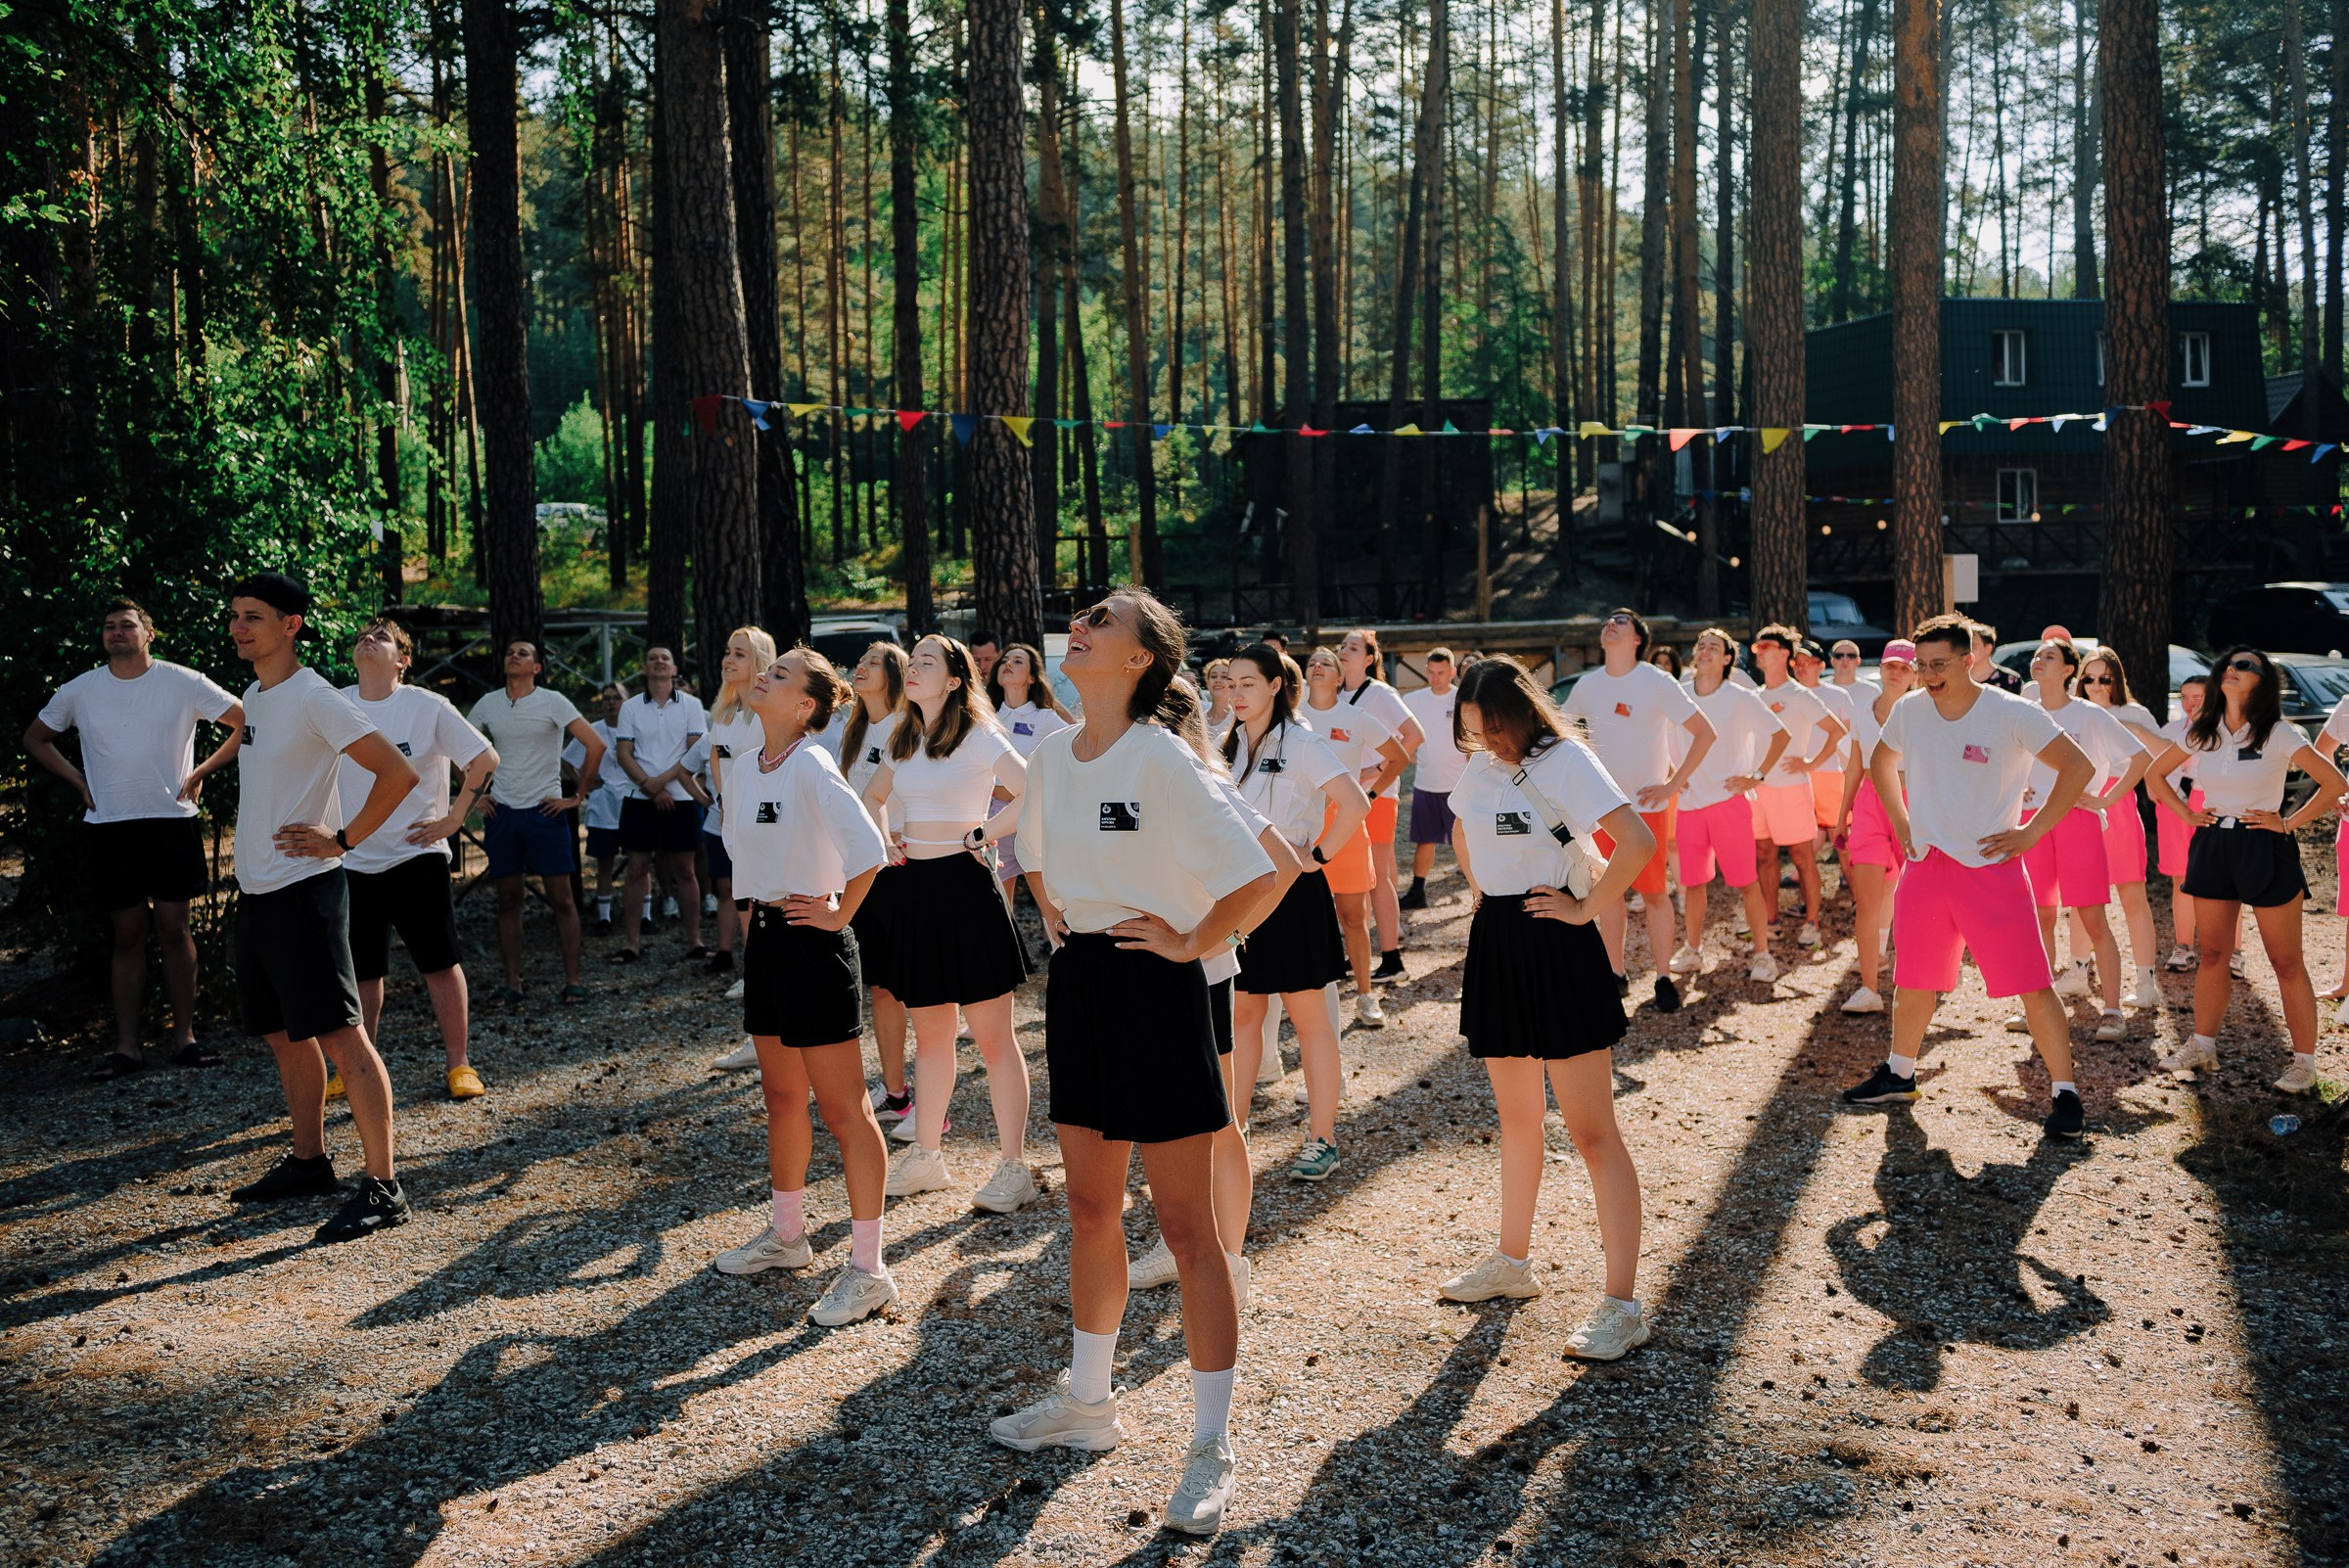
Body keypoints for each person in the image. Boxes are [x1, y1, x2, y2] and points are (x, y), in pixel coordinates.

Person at [997, 588, 1278, 1537]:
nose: (1079, 628)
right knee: (1086, 1207)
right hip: (1081, 985)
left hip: (1157, 989)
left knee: (1190, 1230)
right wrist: (1062, 914)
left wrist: (1191, 938)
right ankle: (1089, 1404)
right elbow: (1033, 857)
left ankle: (1211, 1447)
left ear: (1143, 659)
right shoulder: (1046, 754)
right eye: (1081, 619)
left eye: (1102, 622)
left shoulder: (1160, 756)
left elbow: (1260, 872)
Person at [1439, 655, 1657, 1361]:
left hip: (1557, 940)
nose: (1487, 743)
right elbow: (1460, 829)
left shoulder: (1565, 758)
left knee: (1593, 1134)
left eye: (1494, 729)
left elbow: (1638, 843)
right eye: (1472, 731)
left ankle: (1622, 1304)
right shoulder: (1479, 763)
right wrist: (1482, 889)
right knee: (1518, 1120)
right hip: (1499, 937)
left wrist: (1587, 907)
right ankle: (1512, 1263)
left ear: (1523, 712)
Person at [219, 573, 423, 1240]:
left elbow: (399, 773)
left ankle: (385, 1186)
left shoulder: (314, 697)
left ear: (292, 626)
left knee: (343, 1035)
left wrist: (342, 839)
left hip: (305, 893)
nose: (240, 627)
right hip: (259, 895)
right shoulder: (254, 694)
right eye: (235, 617)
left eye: (254, 616)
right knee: (284, 1035)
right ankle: (309, 1161)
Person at [1840, 614, 2096, 1138]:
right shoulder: (1911, 710)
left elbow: (2079, 767)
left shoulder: (2010, 711)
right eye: (1922, 666)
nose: (1930, 675)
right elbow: (1880, 762)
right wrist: (1901, 820)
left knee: (2034, 983)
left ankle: (2066, 1094)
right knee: (1913, 980)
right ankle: (1900, 1073)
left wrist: (2030, 832)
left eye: (1939, 665)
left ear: (1968, 659)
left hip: (1992, 868)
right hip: (1929, 865)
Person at [709, 646, 901, 1324]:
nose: (766, 674)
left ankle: (869, 1268)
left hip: (814, 944)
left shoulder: (814, 762)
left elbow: (869, 851)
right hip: (767, 941)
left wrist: (836, 913)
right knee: (782, 1097)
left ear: (806, 707)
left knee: (846, 1111)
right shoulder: (745, 764)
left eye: (783, 673)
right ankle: (788, 1237)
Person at [1128, 685, 1306, 1300]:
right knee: (1167, 1120)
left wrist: (1217, 935)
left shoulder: (1203, 779)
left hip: (1200, 977)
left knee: (1220, 1122)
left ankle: (1229, 1259)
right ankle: (1178, 1243)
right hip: (1150, 975)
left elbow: (1281, 864)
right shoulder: (1142, 778)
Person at [26, 599, 242, 1081]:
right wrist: (79, 782)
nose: (116, 632)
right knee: (127, 935)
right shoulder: (81, 690)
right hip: (111, 826)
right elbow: (35, 738)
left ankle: (184, 1038)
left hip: (170, 820)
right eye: (109, 627)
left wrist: (204, 768)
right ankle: (127, 1048)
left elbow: (243, 721)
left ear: (148, 634)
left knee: (173, 929)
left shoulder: (182, 681)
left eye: (127, 625)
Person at [860, 634, 1039, 1212]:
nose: (912, 670)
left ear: (956, 680)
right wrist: (886, 840)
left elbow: (1035, 789)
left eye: (927, 663)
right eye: (911, 663)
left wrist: (985, 833)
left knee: (993, 1039)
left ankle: (1014, 1166)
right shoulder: (901, 735)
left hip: (966, 888)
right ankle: (929, 1157)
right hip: (915, 889)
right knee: (932, 1037)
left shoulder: (982, 735)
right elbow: (872, 797)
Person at [2143, 645, 2347, 1093]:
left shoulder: (2279, 732)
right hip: (2214, 842)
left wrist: (2287, 822)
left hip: (2265, 844)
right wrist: (2185, 814)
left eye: (2244, 666)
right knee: (2213, 953)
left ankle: (2305, 1064)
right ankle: (2202, 1044)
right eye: (2227, 665)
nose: (2231, 670)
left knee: (2285, 961)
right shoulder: (2203, 730)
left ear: (2263, 681)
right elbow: (2154, 776)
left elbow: (2335, 781)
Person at [1219, 644, 1367, 1181]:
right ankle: (1232, 1131)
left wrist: (1319, 856)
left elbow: (1355, 803)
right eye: (1230, 683)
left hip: (1294, 893)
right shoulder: (1222, 746)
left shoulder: (1304, 742)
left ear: (1276, 686)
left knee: (1311, 1024)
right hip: (1240, 892)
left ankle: (1322, 1137)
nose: (1236, 693)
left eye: (1247, 683)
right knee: (1243, 1016)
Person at [336, 620, 498, 1100]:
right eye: (363, 635)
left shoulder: (427, 706)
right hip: (352, 859)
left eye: (382, 638)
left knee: (440, 962)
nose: (368, 639)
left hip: (416, 855)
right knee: (363, 970)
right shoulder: (334, 703)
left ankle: (459, 1065)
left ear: (403, 660)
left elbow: (485, 759)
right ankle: (356, 1070)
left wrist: (453, 820)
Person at [1561, 609, 1718, 1011]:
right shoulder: (1587, 684)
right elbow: (1559, 733)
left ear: (1637, 640)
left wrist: (1672, 784)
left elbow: (1705, 733)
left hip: (1646, 807)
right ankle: (1615, 974)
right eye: (1607, 621)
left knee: (1654, 894)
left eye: (1621, 621)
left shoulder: (1655, 680)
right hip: (1600, 807)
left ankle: (1663, 977)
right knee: (1608, 895)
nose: (1610, 624)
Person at [2005, 638, 2146, 1044]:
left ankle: (2113, 1011)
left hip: (2077, 822)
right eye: (2036, 657)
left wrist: (2105, 799)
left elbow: (2139, 758)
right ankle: (2039, 1008)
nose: (2037, 662)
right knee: (2040, 918)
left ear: (2069, 670)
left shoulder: (2089, 714)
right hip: (2032, 824)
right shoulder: (2023, 714)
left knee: (2092, 919)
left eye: (2047, 657)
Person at [467, 641, 603, 1004]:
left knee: (562, 898)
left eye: (523, 653)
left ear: (537, 668)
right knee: (508, 899)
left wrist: (577, 797)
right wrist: (477, 794)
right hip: (503, 812)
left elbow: (596, 744)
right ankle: (513, 983)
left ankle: (573, 980)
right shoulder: (488, 703)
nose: (514, 655)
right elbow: (459, 747)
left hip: (545, 811)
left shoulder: (553, 701)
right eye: (510, 651)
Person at [1672, 629, 1791, 982]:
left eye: (1714, 647)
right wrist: (1673, 776)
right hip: (1689, 804)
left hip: (1729, 802)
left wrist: (1756, 775)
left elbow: (1780, 734)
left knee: (1746, 882)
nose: (1705, 650)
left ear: (1727, 659)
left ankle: (1763, 956)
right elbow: (1664, 740)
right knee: (1692, 884)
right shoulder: (1678, 697)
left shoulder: (1740, 697)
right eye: (1701, 645)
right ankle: (1693, 950)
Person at [1301, 647, 1406, 1026]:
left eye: (1326, 662)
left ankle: (1365, 996)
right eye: (1312, 662)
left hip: (1345, 827)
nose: (1317, 666)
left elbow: (1399, 756)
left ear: (1340, 677)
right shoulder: (1290, 714)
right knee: (1303, 918)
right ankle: (1302, 997)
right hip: (1299, 829)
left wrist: (1370, 794)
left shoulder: (1355, 717)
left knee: (1353, 916)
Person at [837, 641, 913, 1108]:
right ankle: (897, 1092)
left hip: (903, 868)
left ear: (894, 675)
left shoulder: (908, 729)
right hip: (861, 869)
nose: (859, 667)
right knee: (880, 988)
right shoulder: (851, 731)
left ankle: (919, 1103)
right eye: (858, 660)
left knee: (904, 989)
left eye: (871, 663)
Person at [2073, 648, 2167, 1008]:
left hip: (2120, 806)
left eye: (2104, 678)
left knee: (2132, 895)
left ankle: (2146, 982)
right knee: (2082, 898)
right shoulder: (2074, 710)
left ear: (2117, 679)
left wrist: (2129, 729)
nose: (2096, 686)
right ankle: (2077, 972)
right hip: (2080, 806)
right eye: (2089, 678)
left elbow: (2165, 752)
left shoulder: (2133, 712)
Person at [1748, 624, 1847, 950]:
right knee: (1763, 856)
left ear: (1784, 653)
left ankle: (1812, 924)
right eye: (1756, 647)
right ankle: (1771, 922)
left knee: (1803, 857)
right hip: (1758, 789)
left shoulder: (1799, 695)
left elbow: (1836, 731)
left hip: (1791, 787)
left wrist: (1810, 763)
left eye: (1766, 646)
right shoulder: (1755, 697)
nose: (1759, 652)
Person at [1830, 640, 1916, 1013]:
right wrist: (1841, 816)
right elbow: (1854, 767)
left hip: (1914, 804)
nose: (1895, 672)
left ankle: (1920, 980)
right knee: (1866, 901)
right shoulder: (1862, 710)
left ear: (1915, 675)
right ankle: (1869, 989)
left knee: (1913, 898)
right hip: (1868, 804)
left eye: (1903, 667)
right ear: (1880, 669)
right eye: (1889, 666)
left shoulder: (1925, 711)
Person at [1336, 629, 1425, 983]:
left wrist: (1374, 770)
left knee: (1380, 876)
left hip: (1377, 796)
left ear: (1369, 659)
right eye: (1342, 646)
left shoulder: (1380, 693)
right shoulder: (1334, 694)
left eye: (1353, 647)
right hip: (1344, 797)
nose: (1344, 651)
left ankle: (1392, 958)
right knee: (1351, 879)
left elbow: (1415, 735)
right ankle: (1357, 955)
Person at [608, 646, 707, 962]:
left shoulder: (692, 706)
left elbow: (694, 752)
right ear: (644, 668)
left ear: (675, 669)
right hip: (640, 797)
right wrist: (649, 787)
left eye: (665, 658)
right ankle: (632, 943)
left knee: (685, 869)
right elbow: (623, 753)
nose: (659, 661)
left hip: (681, 796)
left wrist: (660, 783)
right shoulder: (631, 707)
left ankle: (694, 941)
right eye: (652, 658)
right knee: (637, 868)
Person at [692, 627, 779, 980]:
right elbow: (716, 757)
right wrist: (723, 797)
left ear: (759, 660)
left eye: (739, 654)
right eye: (728, 652)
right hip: (730, 817)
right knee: (739, 895)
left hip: (763, 821)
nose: (729, 659)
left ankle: (768, 974)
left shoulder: (768, 710)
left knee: (766, 899)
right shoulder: (723, 711)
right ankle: (753, 975)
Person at [2152, 674, 2240, 977]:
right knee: (2181, 877)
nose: (2190, 704)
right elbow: (2154, 770)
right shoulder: (2171, 731)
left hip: (2213, 802)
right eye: (2185, 697)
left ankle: (2233, 951)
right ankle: (2184, 948)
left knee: (2224, 879)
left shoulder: (2228, 730)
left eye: (2198, 697)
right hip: (2175, 803)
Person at [985, 641, 1077, 907]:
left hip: (1033, 812)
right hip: (994, 815)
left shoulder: (1045, 718)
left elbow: (1078, 742)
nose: (1008, 664)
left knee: (1052, 901)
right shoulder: (986, 717)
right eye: (1004, 661)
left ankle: (1059, 947)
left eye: (1017, 661)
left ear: (1032, 677)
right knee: (998, 901)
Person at [1399, 648, 1466, 909]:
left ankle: (1479, 891)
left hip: (1457, 784)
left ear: (1452, 672)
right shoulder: (1413, 700)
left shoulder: (1461, 699)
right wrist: (1408, 754)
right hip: (1426, 782)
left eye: (1441, 673)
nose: (1436, 677)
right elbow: (1398, 733)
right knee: (1424, 839)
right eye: (1431, 672)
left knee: (1465, 841)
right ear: (1426, 671)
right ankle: (1418, 890)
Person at [1794, 639, 1859, 865]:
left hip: (1830, 774)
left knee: (1841, 839)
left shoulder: (1839, 696)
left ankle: (1860, 897)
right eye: (1797, 662)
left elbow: (1847, 737)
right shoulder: (1785, 694)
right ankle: (1809, 898)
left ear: (1821, 666)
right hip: (1794, 776)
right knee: (1803, 842)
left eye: (1808, 662)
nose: (1802, 667)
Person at [570, 683, 627, 935]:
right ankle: (604, 917)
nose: (611, 702)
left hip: (632, 803)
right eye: (606, 698)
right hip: (602, 806)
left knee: (639, 863)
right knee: (604, 865)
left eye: (616, 698)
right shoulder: (593, 730)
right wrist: (585, 786)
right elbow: (567, 760)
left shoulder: (635, 730)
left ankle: (644, 914)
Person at [1970, 623, 2026, 694]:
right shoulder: (1955, 676)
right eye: (1963, 646)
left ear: (1988, 648)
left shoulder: (2009, 680)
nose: (1966, 650)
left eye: (1972, 646)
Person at [1202, 658, 1235, 734]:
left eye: (1224, 677)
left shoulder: (1238, 719)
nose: (1218, 680)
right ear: (1207, 683)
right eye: (1213, 676)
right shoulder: (1198, 719)